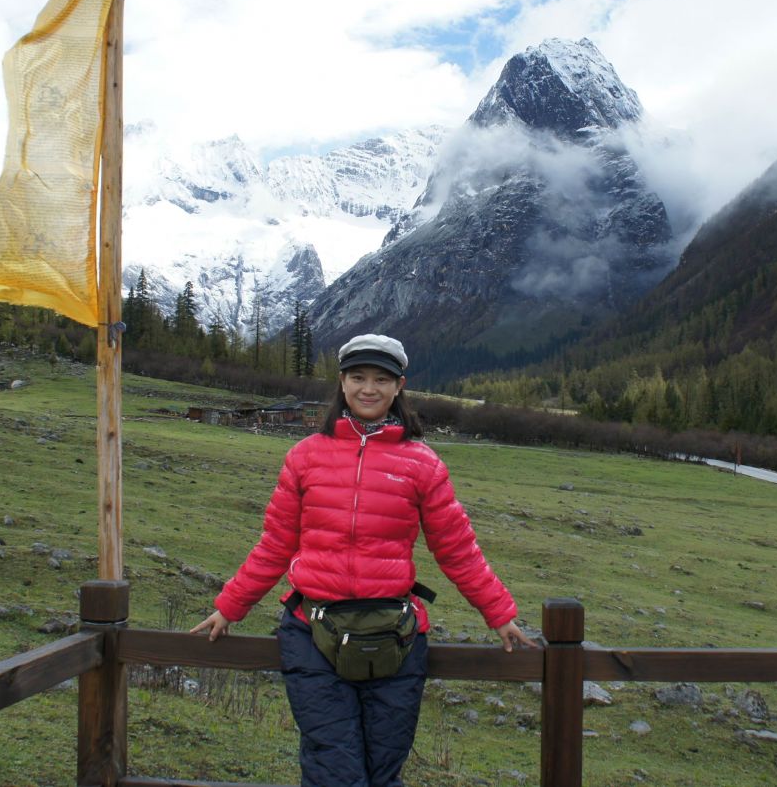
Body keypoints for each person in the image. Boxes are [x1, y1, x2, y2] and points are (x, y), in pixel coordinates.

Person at [192, 333, 537, 787]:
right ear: (342, 382)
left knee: (380, 772)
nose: (368, 388)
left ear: (399, 387)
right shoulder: (304, 457)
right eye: (358, 377)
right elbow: (276, 544)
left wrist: (499, 613)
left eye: (381, 379)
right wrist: (229, 607)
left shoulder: (423, 464)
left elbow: (456, 549)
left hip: (394, 636)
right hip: (312, 631)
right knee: (335, 768)